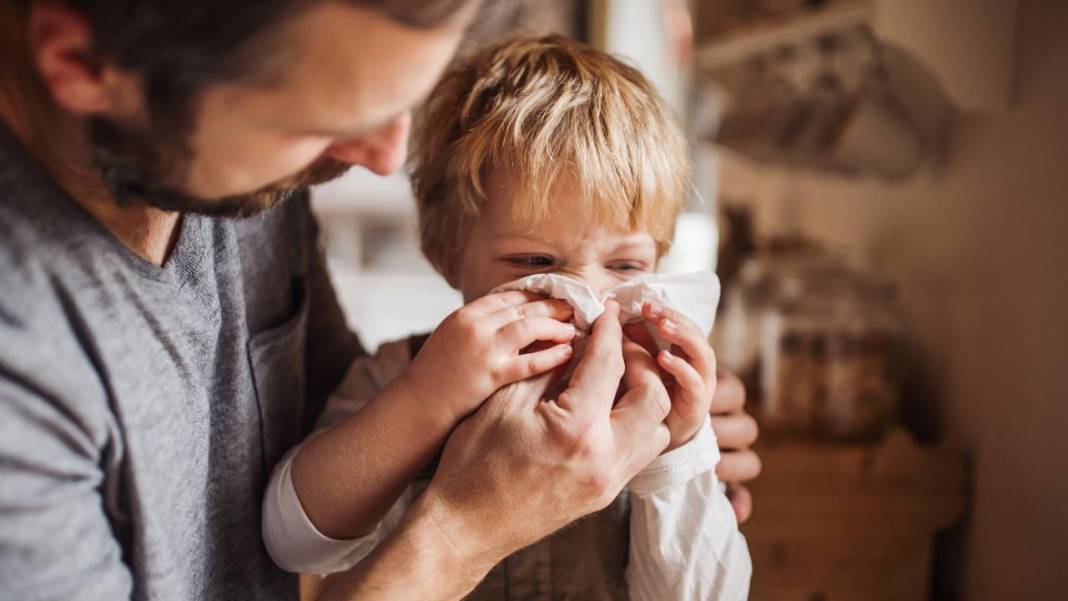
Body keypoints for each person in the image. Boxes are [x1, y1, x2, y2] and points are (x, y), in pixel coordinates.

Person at [0, 2, 760, 600]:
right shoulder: (23, 376)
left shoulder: (247, 177)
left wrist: (684, 453)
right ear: (84, 67)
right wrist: (465, 517)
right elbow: (296, 531)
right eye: (320, 118)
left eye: (625, 264)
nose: (386, 158)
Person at [262, 34, 751, 600]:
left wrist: (681, 452)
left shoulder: (653, 401)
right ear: (448, 254)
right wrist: (425, 399)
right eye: (535, 263)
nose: (587, 300)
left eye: (625, 266)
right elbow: (293, 543)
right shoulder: (402, 375)